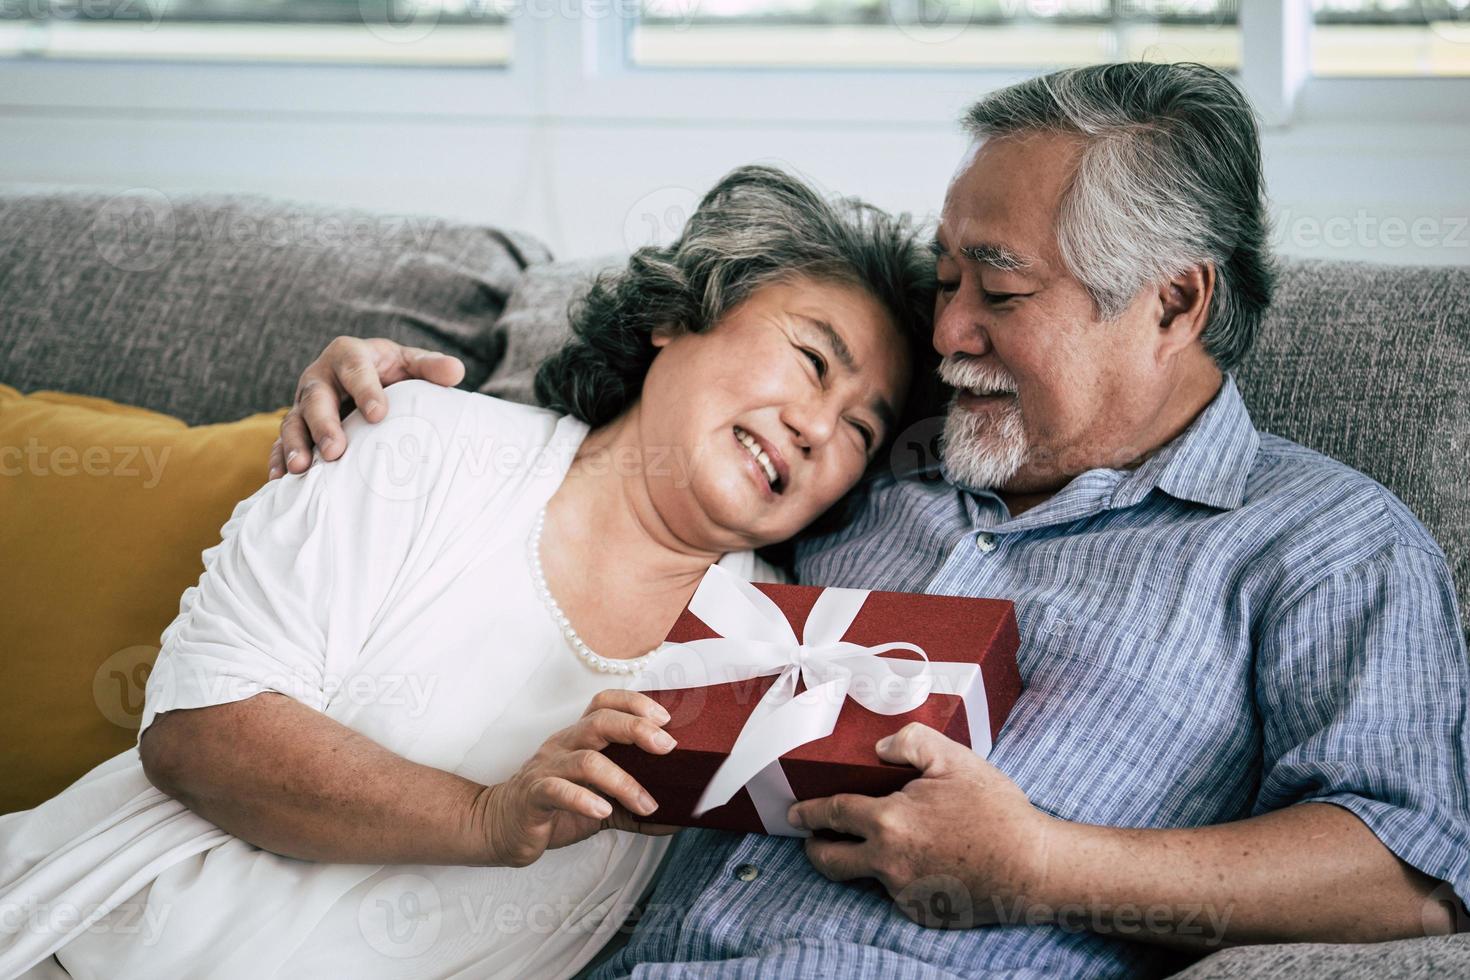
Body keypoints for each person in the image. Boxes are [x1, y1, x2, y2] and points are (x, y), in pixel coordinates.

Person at [275, 63, 1470, 978]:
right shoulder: (876, 464)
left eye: (999, 290)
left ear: (1172, 300)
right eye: (946, 279)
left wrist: (1045, 867)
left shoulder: (1322, 544)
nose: (949, 332)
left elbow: (1414, 872)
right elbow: (632, 476)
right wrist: (405, 411)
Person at [0, 165, 937, 980]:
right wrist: (488, 817)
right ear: (675, 317)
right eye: (813, 359)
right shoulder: (419, 443)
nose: (820, 427)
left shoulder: (782, 653)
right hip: (80, 951)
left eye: (861, 427)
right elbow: (197, 735)